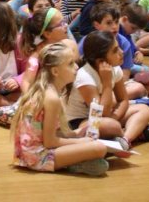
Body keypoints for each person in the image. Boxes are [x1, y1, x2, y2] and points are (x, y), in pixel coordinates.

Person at [12, 42, 109, 176]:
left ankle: (78, 160)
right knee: (99, 148)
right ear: (55, 71)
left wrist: (78, 132)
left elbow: (53, 133)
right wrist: (80, 141)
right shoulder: (51, 98)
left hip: (30, 152)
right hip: (37, 157)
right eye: (70, 64)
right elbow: (50, 142)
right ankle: (73, 163)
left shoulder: (50, 91)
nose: (76, 67)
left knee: (93, 141)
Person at [66, 31, 149, 150]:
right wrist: (107, 84)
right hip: (81, 122)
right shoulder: (85, 77)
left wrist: (113, 119)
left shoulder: (115, 69)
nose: (121, 52)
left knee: (143, 109)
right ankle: (127, 134)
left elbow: (123, 100)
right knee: (110, 126)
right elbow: (100, 114)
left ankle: (124, 140)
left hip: (106, 118)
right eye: (115, 50)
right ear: (100, 61)